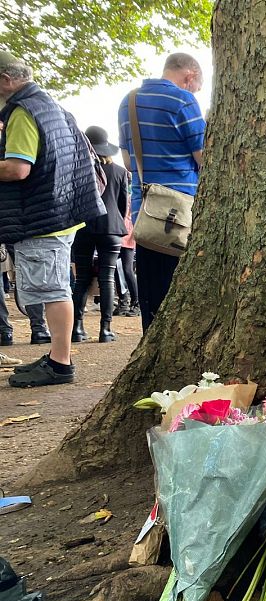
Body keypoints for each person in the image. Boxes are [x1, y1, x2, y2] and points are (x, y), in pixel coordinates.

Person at [0, 51, 105, 387]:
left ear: (5, 80)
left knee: (52, 289)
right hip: (61, 212)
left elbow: (18, 167)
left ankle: (60, 363)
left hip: (40, 215)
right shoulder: (53, 106)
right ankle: (58, 357)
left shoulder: (22, 111)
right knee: (54, 286)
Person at [117, 52, 205, 332]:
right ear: (189, 77)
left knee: (152, 291)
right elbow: (205, 156)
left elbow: (129, 162)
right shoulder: (183, 100)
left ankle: (150, 345)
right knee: (181, 290)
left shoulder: (128, 101)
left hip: (146, 210)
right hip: (180, 210)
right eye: (197, 85)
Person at [71, 126, 128, 343]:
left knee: (82, 279)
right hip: (111, 228)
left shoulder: (79, 170)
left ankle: (77, 328)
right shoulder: (121, 172)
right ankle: (105, 329)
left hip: (84, 227)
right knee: (107, 278)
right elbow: (123, 206)